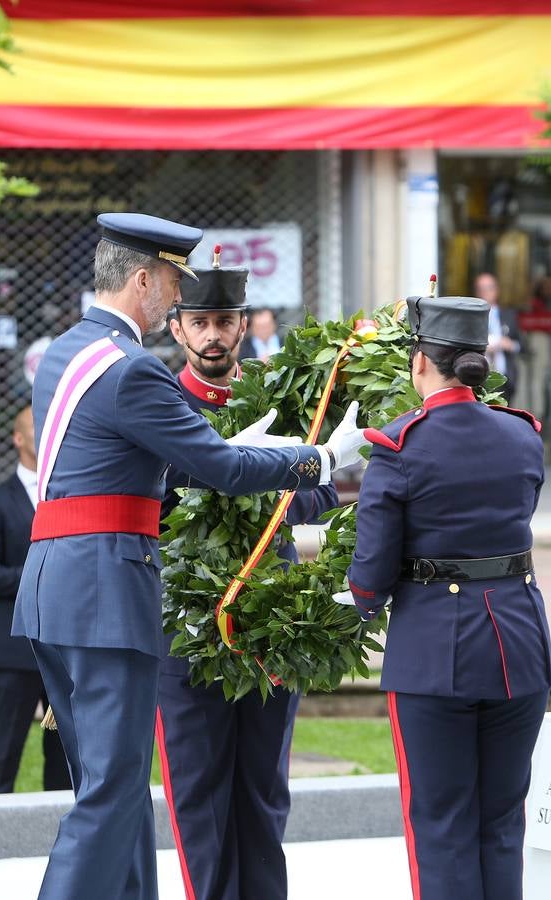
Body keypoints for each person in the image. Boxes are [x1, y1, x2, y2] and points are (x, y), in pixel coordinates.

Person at [11, 212, 365, 900]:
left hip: (54, 591)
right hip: (103, 595)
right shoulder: (132, 370)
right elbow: (218, 469)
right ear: (142, 278)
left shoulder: (65, 351)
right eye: (173, 282)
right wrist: (321, 458)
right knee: (111, 797)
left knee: (111, 793)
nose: (177, 299)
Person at [343, 294, 551, 900]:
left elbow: (373, 568)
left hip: (435, 653)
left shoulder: (400, 446)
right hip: (519, 647)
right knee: (502, 824)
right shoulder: (522, 436)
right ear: (480, 362)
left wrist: (358, 601)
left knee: (442, 827)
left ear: (418, 364)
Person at [158, 261, 339, 900]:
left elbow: (320, 494)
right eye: (200, 323)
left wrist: (292, 483)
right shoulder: (160, 400)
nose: (213, 336)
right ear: (177, 328)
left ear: (243, 327)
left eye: (224, 323)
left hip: (271, 622)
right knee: (200, 791)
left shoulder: (275, 400)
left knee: (263, 789)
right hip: (187, 628)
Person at [0, 407, 71, 794]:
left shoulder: (68, 490)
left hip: (62, 644)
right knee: (1, 754)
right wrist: (39, 575)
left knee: (65, 755)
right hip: (13, 648)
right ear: (18, 439)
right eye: (35, 431)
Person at [474, 271, 522, 404]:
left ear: (496, 290)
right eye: (481, 289)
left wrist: (510, 345)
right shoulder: (471, 317)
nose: (485, 292)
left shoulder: (509, 315)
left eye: (489, 288)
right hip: (479, 380)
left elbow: (522, 345)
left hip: (505, 378)